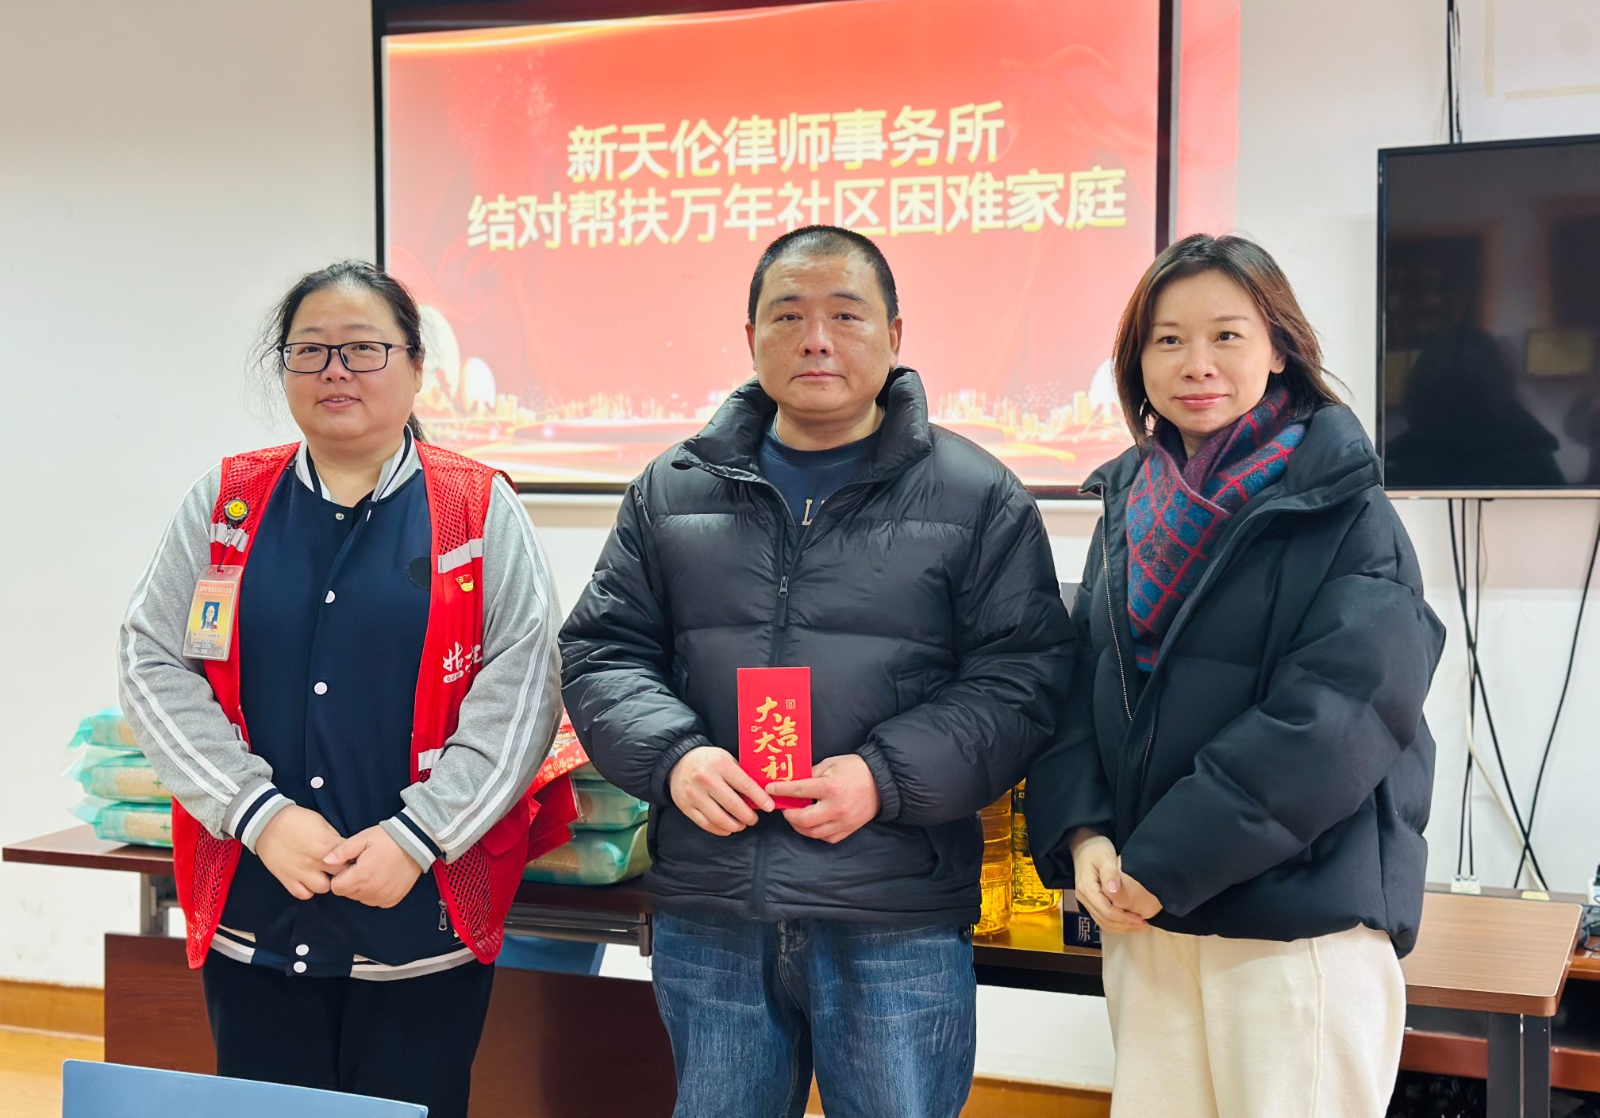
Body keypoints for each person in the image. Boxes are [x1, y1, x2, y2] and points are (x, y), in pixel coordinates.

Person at [560, 225, 1072, 1118]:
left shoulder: (977, 494)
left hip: (893, 908)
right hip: (714, 905)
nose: (816, 340)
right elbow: (604, 651)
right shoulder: (672, 488)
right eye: (788, 316)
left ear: (895, 335)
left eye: (846, 314)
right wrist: (677, 757)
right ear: (751, 335)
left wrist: (882, 778)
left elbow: (1021, 679)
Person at [117, 260, 564, 1118]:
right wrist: (258, 814)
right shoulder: (228, 504)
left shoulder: (477, 509)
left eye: (362, 349)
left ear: (415, 365)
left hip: (420, 911)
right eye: (310, 350)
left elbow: (524, 693)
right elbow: (151, 661)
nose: (335, 371)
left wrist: (418, 836)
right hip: (259, 904)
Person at [1026, 234, 1444, 1118]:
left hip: (1295, 930)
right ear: (1138, 362)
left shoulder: (1348, 510)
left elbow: (1336, 719)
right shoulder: (1127, 506)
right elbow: (1083, 686)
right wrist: (1086, 836)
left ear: (1279, 348)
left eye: (1227, 335)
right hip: (1147, 917)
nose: (1197, 364)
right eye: (1168, 340)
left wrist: (1167, 862)